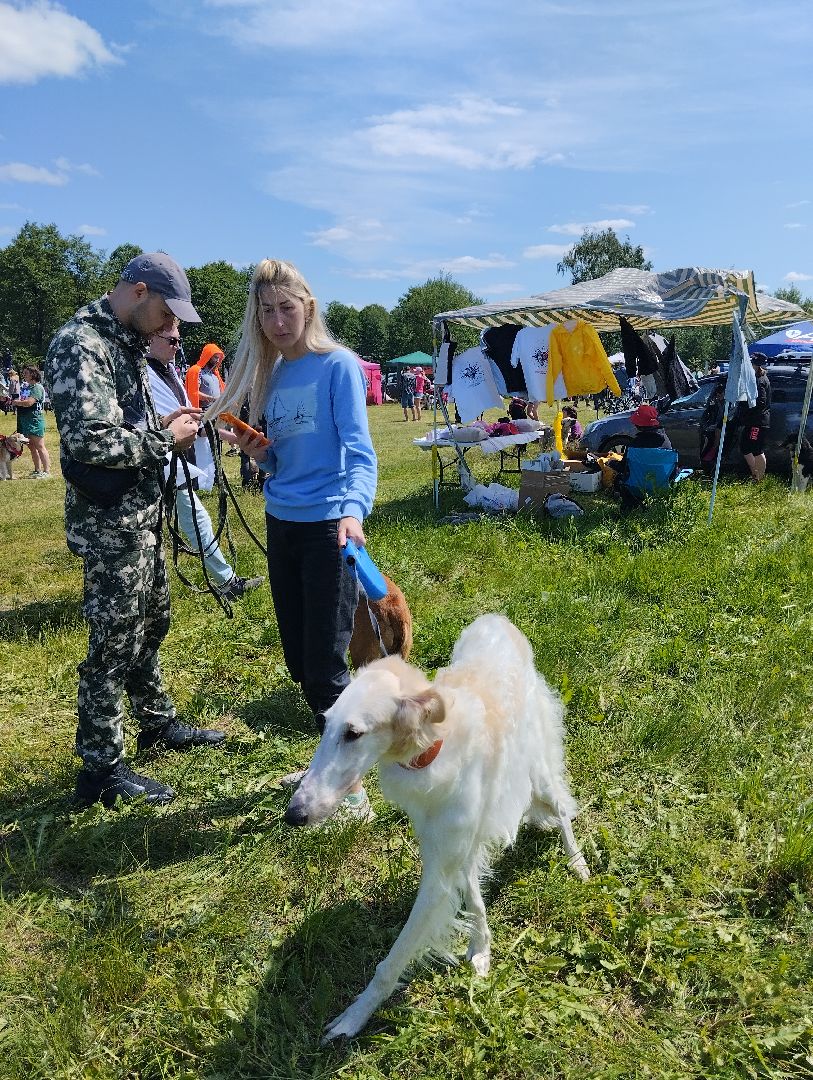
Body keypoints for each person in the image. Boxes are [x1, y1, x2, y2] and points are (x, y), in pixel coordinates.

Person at [45, 252, 227, 810]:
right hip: (110, 526)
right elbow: (89, 442)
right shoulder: (84, 345)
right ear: (140, 292)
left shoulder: (121, 342)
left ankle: (155, 722)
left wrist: (166, 426)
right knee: (111, 647)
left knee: (153, 621)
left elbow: (126, 423)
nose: (173, 328)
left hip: (140, 515)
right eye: (169, 314)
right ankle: (101, 769)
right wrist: (162, 440)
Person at [212, 259, 378, 821]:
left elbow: (360, 451)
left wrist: (353, 513)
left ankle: (349, 787)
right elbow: (281, 458)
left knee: (326, 663)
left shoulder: (338, 367)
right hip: (282, 522)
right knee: (299, 660)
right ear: (256, 318)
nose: (279, 321)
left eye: (288, 307)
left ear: (308, 306)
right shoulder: (272, 374)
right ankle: (329, 759)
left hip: (330, 527)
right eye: (267, 310)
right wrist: (260, 455)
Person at [146, 321, 264, 601]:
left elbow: (193, 418)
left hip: (169, 462)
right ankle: (225, 583)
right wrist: (227, 435)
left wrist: (229, 434)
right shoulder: (146, 375)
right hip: (155, 462)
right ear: (151, 338)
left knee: (191, 519)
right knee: (189, 520)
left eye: (178, 341)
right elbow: (178, 421)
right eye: (172, 340)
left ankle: (223, 581)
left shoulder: (166, 373)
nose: (177, 346)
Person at [738, 352, 771, 482]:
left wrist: (747, 411)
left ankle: (759, 479)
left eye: (750, 363)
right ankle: (754, 474)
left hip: (758, 422)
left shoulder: (760, 380)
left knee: (756, 449)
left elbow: (761, 402)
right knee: (745, 447)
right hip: (751, 421)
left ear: (756, 365)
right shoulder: (753, 378)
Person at [15, 364, 51, 478]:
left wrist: (16, 402)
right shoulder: (26, 387)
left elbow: (29, 402)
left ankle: (47, 471)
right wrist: (18, 401)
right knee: (31, 446)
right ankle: (37, 470)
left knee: (40, 446)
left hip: (35, 421)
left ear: (33, 374)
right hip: (26, 421)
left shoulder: (37, 388)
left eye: (26, 373)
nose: (23, 375)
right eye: (23, 373)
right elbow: (23, 400)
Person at [185, 343, 225, 409]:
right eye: (216, 357)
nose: (218, 361)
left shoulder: (215, 373)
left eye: (219, 358)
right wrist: (213, 399)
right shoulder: (196, 370)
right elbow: (193, 393)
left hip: (216, 409)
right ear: (208, 356)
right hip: (203, 411)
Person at [699, 379, 726, 472]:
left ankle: (714, 450)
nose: (718, 396)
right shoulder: (715, 403)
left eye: (720, 394)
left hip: (721, 427)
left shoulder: (728, 404)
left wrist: (715, 426)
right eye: (717, 394)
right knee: (706, 435)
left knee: (716, 431)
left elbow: (724, 419)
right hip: (714, 426)